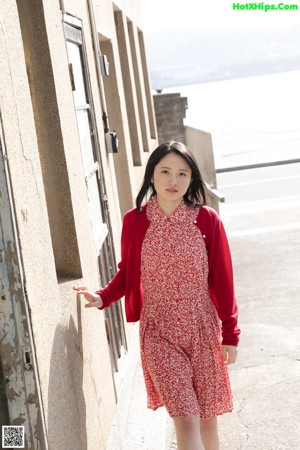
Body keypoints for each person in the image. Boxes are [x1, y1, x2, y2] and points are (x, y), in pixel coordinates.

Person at [74, 141, 240, 450]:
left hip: (203, 330)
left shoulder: (206, 221)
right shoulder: (135, 221)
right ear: (152, 175)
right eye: (165, 172)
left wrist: (230, 333)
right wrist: (103, 297)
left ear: (192, 179)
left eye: (182, 173)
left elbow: (223, 280)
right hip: (159, 334)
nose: (173, 181)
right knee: (186, 418)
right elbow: (128, 272)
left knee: (207, 420)